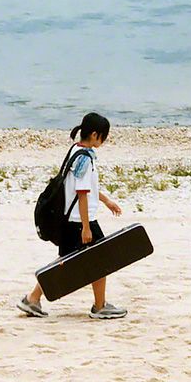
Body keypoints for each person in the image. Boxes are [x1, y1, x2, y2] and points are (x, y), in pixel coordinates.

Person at [19, 112, 127, 319]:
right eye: (104, 136)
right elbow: (82, 193)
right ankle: (99, 305)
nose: (105, 140)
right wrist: (86, 227)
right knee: (100, 259)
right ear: (95, 135)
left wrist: (106, 201)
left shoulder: (75, 150)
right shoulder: (85, 159)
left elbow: (83, 188)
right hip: (80, 220)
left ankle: (33, 299)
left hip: (72, 219)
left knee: (67, 261)